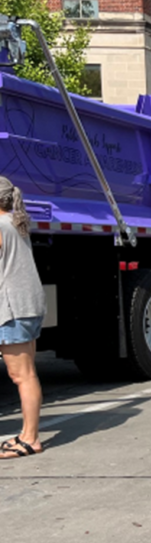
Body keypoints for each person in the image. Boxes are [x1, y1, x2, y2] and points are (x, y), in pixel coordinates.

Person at [0, 176, 47, 460]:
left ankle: (30, 439)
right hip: (27, 307)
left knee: (22, 376)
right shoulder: (16, 224)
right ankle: (27, 434)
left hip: (13, 309)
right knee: (27, 373)